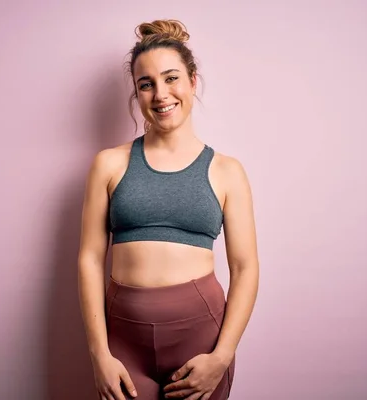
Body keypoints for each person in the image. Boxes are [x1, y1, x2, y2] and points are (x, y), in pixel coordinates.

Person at [78, 19, 259, 400]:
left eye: (172, 78)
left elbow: (245, 269)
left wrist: (222, 356)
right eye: (146, 84)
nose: (161, 94)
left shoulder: (227, 171)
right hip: (123, 345)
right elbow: (90, 260)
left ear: (193, 82)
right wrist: (99, 355)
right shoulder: (109, 164)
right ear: (137, 93)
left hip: (201, 342)